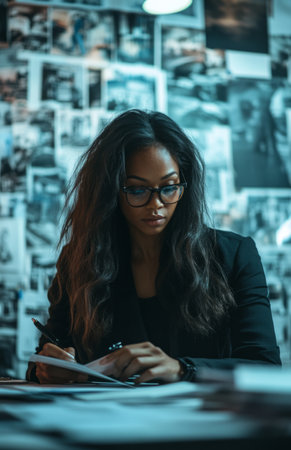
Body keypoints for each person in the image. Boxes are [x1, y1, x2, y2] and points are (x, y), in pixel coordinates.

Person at [26, 109, 281, 384]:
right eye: (137, 190)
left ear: (185, 184)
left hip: (206, 423)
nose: (156, 204)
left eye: (169, 187)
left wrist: (184, 370)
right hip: (110, 423)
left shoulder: (234, 256)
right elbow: (43, 359)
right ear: (111, 191)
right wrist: (46, 368)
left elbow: (265, 367)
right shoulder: (80, 261)